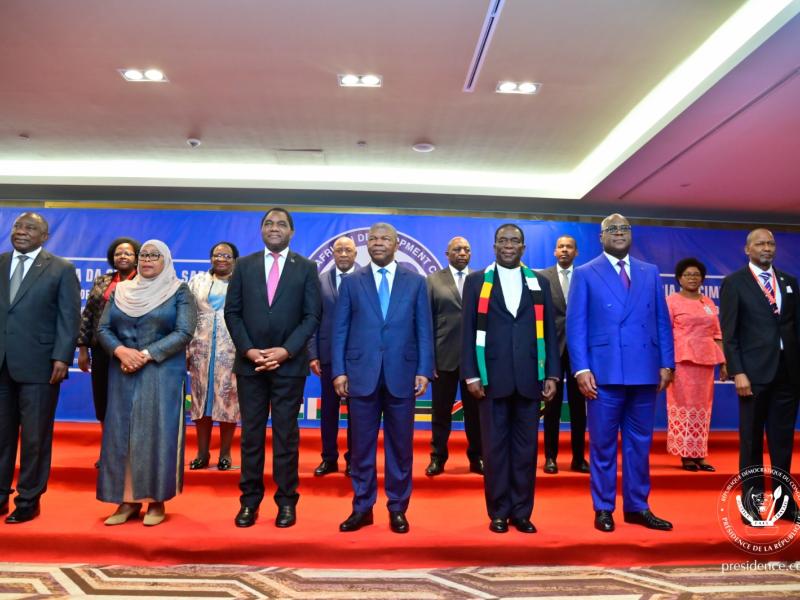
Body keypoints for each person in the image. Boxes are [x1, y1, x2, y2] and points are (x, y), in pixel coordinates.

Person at [566, 213, 675, 533]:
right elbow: (576, 326)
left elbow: (661, 321)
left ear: (631, 234)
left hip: (644, 372)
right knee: (601, 444)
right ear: (600, 237)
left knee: (639, 444)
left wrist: (667, 362)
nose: (618, 233)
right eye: (611, 229)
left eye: (624, 228)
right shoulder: (585, 273)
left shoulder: (649, 272)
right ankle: (603, 507)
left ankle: (638, 507)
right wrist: (581, 368)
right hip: (603, 373)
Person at [332, 222, 434, 534]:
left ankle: (398, 508)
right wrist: (338, 370)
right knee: (361, 447)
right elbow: (340, 329)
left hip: (402, 375)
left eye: (384, 239)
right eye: (373, 238)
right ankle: (362, 507)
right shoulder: (351, 282)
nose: (378, 243)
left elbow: (424, 330)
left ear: (396, 244)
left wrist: (424, 370)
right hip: (361, 375)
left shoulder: (416, 282)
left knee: (400, 447)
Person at [224, 208, 321, 528]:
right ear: (261, 230)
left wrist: (285, 350)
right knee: (251, 436)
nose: (274, 228)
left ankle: (286, 502)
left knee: (285, 436)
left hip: (289, 366)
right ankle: (249, 502)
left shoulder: (306, 268)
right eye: (268, 223)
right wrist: (250, 351)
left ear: (292, 232)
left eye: (281, 224)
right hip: (250, 365)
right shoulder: (244, 266)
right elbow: (232, 313)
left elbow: (311, 317)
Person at [461, 223, 559, 534]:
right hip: (491, 378)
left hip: (531, 377)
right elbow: (466, 332)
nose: (508, 245)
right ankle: (499, 512)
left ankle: (522, 512)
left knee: (526, 450)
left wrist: (553, 374)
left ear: (523, 248)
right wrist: (471, 374)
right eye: (503, 240)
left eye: (514, 241)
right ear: (494, 246)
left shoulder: (539, 282)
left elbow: (551, 333)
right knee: (494, 450)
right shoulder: (477, 282)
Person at [96, 240, 197, 526]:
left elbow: (184, 331)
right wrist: (120, 351)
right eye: (144, 255)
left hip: (161, 372)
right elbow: (103, 328)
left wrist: (145, 354)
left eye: (155, 255)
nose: (147, 260)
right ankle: (126, 500)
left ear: (165, 260)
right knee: (120, 434)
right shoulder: (121, 290)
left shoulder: (179, 290)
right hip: (122, 369)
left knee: (156, 434)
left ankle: (156, 500)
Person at [0, 212, 80, 524]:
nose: (21, 231)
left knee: (34, 437)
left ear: (44, 236)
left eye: (30, 227)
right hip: (2, 364)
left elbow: (69, 317)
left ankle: (29, 499)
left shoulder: (60, 268)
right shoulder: (1, 262)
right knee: (1, 436)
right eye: (18, 226)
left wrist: (62, 357)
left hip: (41, 365)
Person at [720, 228, 800, 521]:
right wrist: (738, 371)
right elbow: (729, 335)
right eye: (760, 244)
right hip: (752, 375)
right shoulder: (734, 283)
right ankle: (752, 506)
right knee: (752, 442)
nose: (767, 248)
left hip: (788, 374)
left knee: (782, 442)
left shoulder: (789, 282)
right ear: (747, 250)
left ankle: (786, 504)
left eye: (771, 243)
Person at [77, 237, 140, 466]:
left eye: (128, 253)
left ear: (137, 257)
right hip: (101, 350)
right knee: (103, 400)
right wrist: (83, 349)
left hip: (131, 351)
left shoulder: (145, 281)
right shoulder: (102, 281)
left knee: (128, 402)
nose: (122, 256)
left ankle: (130, 453)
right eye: (118, 253)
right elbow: (88, 316)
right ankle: (109, 451)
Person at [425, 236, 483, 477]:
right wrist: (428, 361)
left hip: (474, 361)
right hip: (443, 359)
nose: (462, 253)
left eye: (466, 249)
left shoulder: (480, 280)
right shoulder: (432, 281)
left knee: (476, 415)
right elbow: (425, 323)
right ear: (446, 253)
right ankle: (438, 457)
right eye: (457, 249)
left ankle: (477, 457)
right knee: (440, 413)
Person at [666, 258, 726, 472]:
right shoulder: (671, 301)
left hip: (706, 361)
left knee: (703, 408)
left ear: (702, 278)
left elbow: (717, 333)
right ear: (679, 279)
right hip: (682, 361)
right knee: (684, 407)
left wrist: (724, 361)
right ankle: (686, 455)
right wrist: (666, 364)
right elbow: (665, 334)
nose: (692, 278)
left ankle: (700, 454)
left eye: (696, 274)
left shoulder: (708, 302)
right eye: (687, 274)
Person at [187, 242, 240, 471]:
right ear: (210, 258)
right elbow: (187, 315)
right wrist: (187, 348)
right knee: (201, 401)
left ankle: (225, 454)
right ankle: (202, 453)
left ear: (234, 260)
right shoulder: (197, 282)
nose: (221, 259)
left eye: (227, 255)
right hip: (200, 349)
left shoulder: (242, 282)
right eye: (217, 255)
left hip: (231, 350)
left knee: (228, 401)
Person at [538, 235, 589, 475]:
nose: (565, 250)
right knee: (552, 407)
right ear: (554, 252)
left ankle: (579, 458)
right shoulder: (542, 278)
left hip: (580, 351)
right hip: (551, 349)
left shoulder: (586, 276)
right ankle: (550, 457)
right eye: (560, 247)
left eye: (569, 247)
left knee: (580, 408)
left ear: (576, 253)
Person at [308, 236, 357, 477]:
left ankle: (353, 459)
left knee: (358, 413)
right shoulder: (320, 281)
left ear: (356, 253)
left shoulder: (365, 278)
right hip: (327, 355)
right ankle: (329, 458)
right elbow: (312, 319)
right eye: (340, 250)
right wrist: (312, 354)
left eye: (349, 250)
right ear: (333, 254)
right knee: (329, 411)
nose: (344, 254)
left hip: (359, 357)